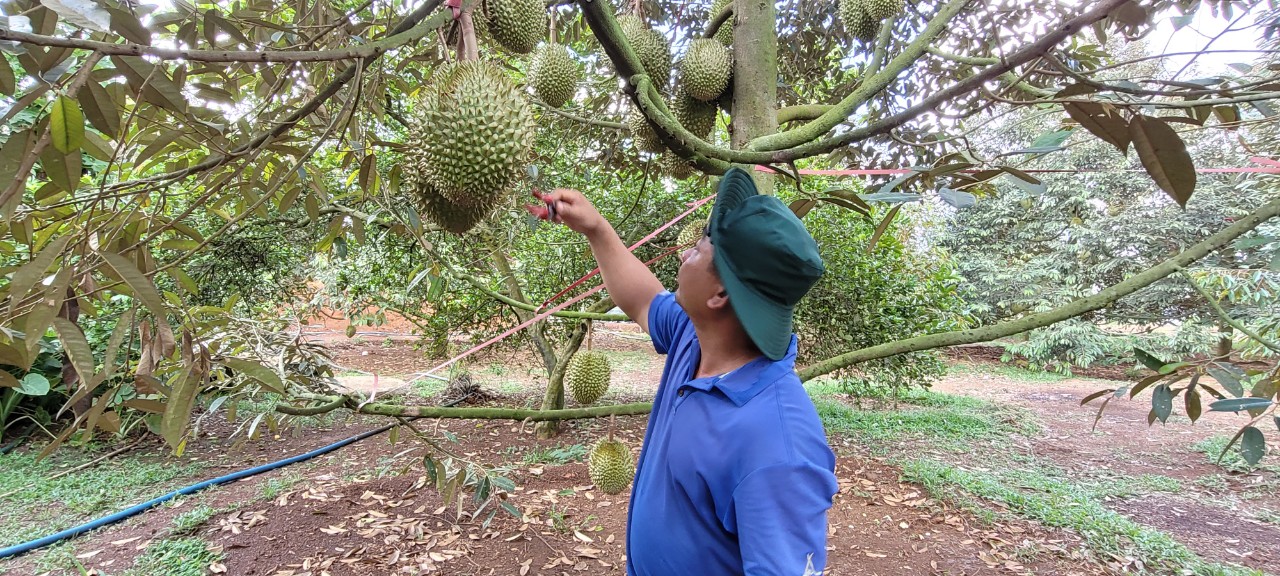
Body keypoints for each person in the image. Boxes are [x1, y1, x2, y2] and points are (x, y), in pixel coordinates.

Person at [532, 167, 838, 575]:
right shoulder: (694, 337)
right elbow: (642, 299)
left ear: (722, 293)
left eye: (699, 248)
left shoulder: (778, 444)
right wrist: (597, 229)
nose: (683, 253)